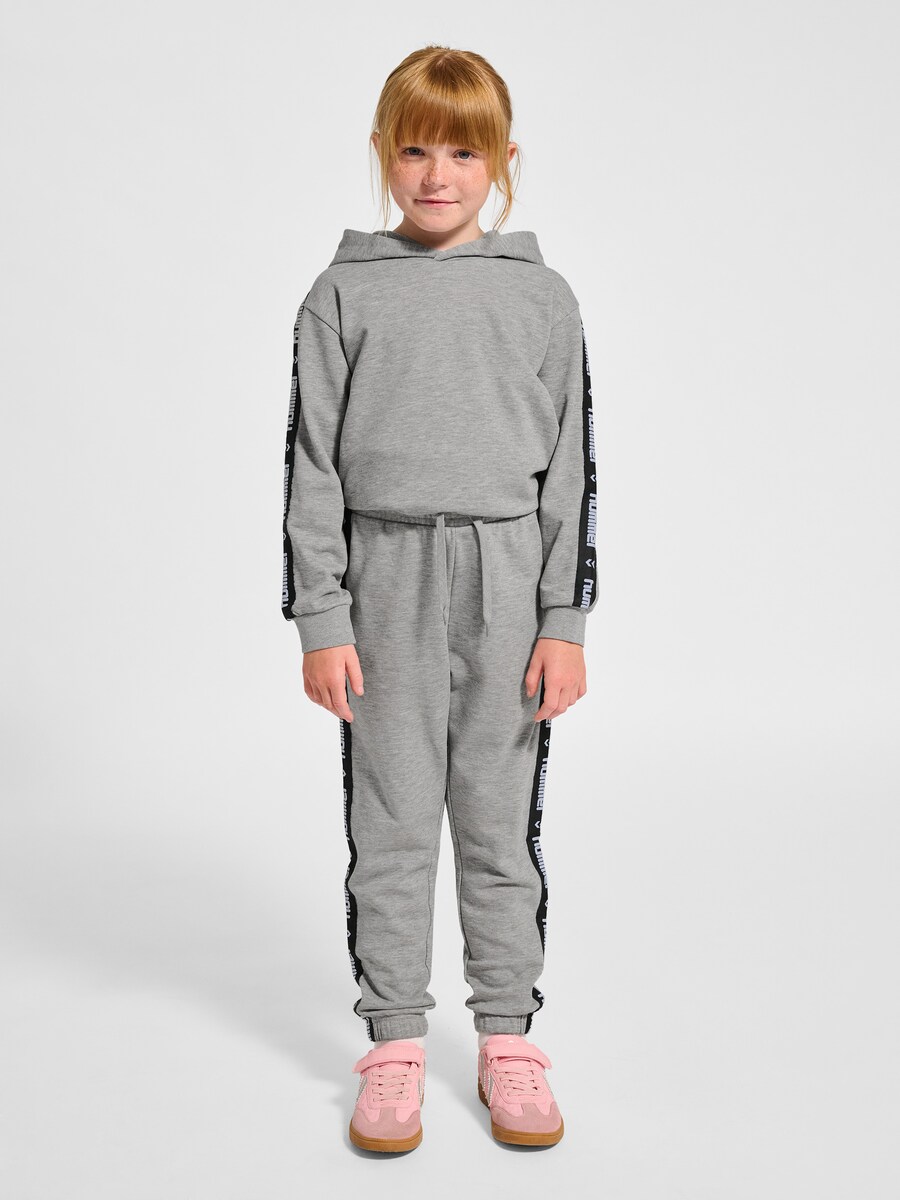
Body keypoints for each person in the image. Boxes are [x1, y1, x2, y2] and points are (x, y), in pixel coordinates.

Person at [281, 44, 597, 1152]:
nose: (436, 174)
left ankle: (508, 1037)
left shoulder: (543, 297)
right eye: (414, 149)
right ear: (384, 153)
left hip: (507, 580)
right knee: (394, 823)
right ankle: (395, 1045)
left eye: (463, 152)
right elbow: (311, 466)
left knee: (500, 826)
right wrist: (323, 617)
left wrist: (564, 620)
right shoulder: (340, 294)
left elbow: (572, 472)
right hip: (384, 580)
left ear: (502, 160)